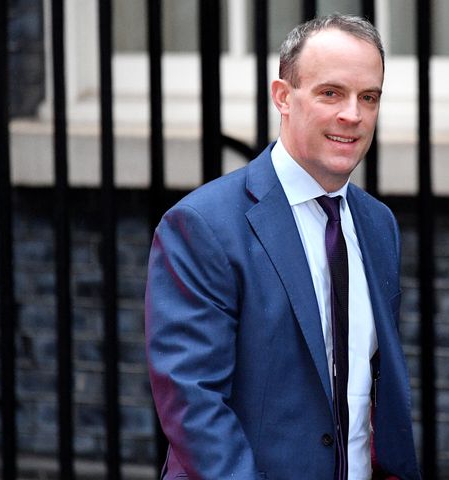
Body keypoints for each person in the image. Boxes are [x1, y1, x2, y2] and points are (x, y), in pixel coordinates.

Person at [145, 13, 421, 480]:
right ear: (283, 98)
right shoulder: (202, 225)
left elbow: (369, 389)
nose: (352, 114)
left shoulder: (378, 224)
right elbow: (193, 404)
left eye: (368, 97)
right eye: (330, 93)